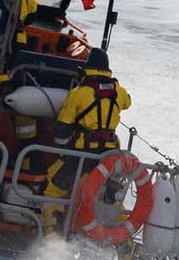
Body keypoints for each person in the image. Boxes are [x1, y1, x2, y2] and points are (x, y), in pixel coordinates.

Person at [45, 48, 133, 201]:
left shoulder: (78, 93)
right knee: (104, 192)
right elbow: (127, 102)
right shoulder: (119, 91)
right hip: (109, 152)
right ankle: (114, 220)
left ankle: (49, 224)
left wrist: (60, 149)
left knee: (53, 187)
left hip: (82, 152)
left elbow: (63, 128)